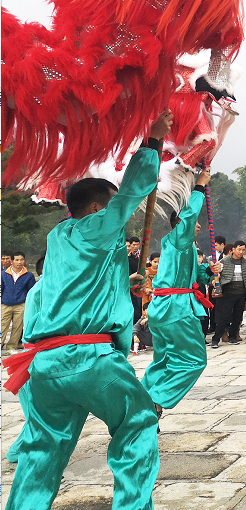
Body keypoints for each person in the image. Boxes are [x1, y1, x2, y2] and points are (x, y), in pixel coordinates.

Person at [2, 110, 172, 510]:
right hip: (89, 357)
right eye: (111, 212)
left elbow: (54, 294)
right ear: (97, 210)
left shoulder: (58, 239)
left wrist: (121, 282)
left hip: (44, 364)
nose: (120, 223)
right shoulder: (97, 228)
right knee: (137, 424)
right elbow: (131, 195)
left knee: (42, 450)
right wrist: (151, 141)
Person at [143, 169, 218, 416]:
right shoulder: (178, 239)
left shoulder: (179, 247)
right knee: (194, 361)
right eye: (192, 222)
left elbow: (196, 277)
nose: (197, 225)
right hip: (176, 307)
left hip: (162, 307)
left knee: (163, 361)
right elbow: (188, 218)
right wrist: (200, 186)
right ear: (179, 223)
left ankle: (139, 404)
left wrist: (209, 271)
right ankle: (154, 399)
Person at [211, 241, 246, 348]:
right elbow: (214, 274)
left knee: (237, 317)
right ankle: (215, 339)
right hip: (228, 292)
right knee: (224, 317)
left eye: (243, 250)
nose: (241, 252)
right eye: (239, 249)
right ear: (233, 249)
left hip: (241, 292)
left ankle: (233, 337)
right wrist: (215, 280)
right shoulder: (224, 261)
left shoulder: (245, 263)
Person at [1, 252, 37, 351]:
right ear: (12, 261)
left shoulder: (29, 275)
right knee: (2, 326)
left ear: (24, 261)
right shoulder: (3, 274)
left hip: (20, 305)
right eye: (17, 260)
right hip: (5, 304)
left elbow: (31, 290)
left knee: (17, 327)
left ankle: (11, 347)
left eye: (21, 260)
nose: (19, 262)